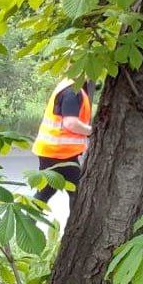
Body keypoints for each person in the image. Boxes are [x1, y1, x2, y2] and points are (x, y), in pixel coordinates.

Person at [31, 78, 93, 210]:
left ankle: (25, 226)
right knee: (77, 194)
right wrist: (92, 131)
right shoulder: (72, 91)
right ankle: (77, 227)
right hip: (60, 153)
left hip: (56, 151)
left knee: (46, 192)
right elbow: (71, 123)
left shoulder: (67, 86)